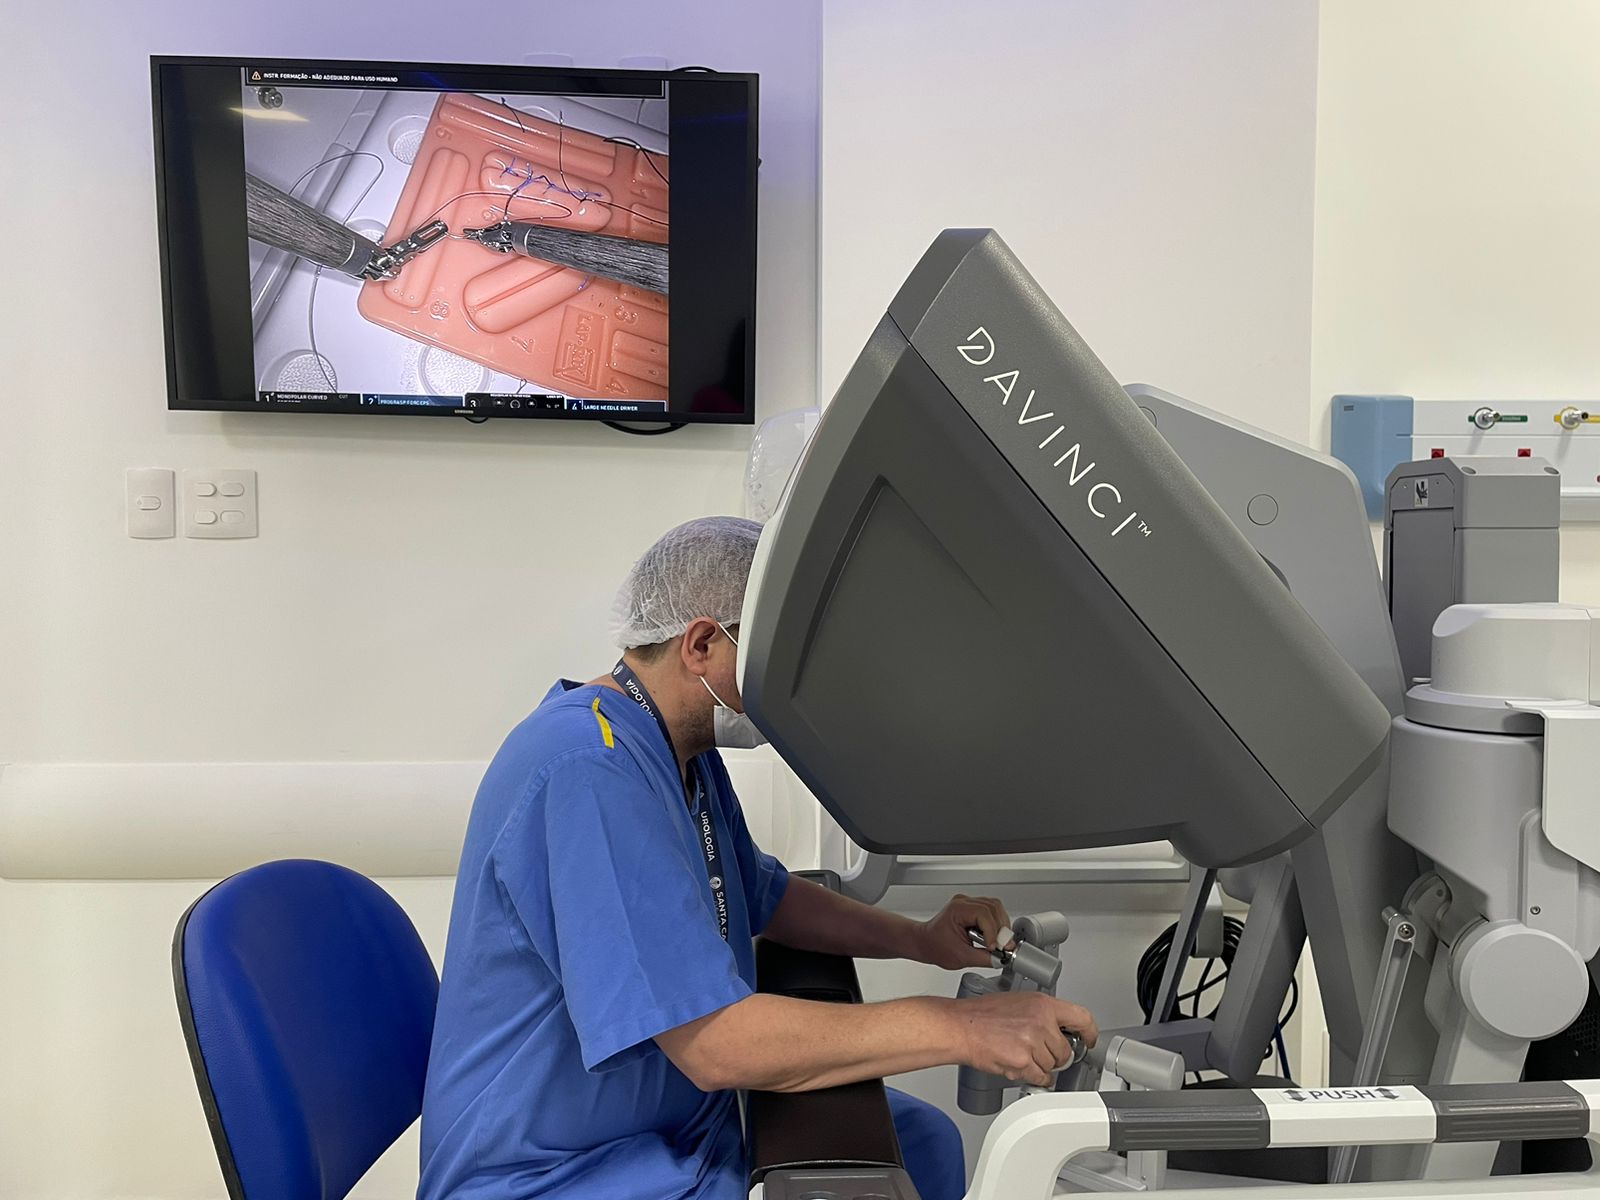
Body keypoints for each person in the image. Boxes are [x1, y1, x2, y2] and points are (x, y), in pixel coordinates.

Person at [418, 516, 1097, 1200]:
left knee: (924, 1142)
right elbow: (718, 1045)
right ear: (702, 644)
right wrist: (962, 1026)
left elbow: (764, 895)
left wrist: (919, 940)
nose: (792, 685)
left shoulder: (679, 751)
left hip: (682, 1120)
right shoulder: (589, 770)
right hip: (558, 1171)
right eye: (778, 658)